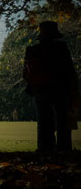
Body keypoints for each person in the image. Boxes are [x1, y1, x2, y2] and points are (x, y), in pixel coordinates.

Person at [23, 21, 79, 153]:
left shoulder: (31, 50)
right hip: (59, 88)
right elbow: (69, 71)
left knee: (43, 121)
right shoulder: (61, 48)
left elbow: (25, 74)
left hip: (39, 89)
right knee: (62, 121)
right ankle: (63, 148)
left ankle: (44, 148)